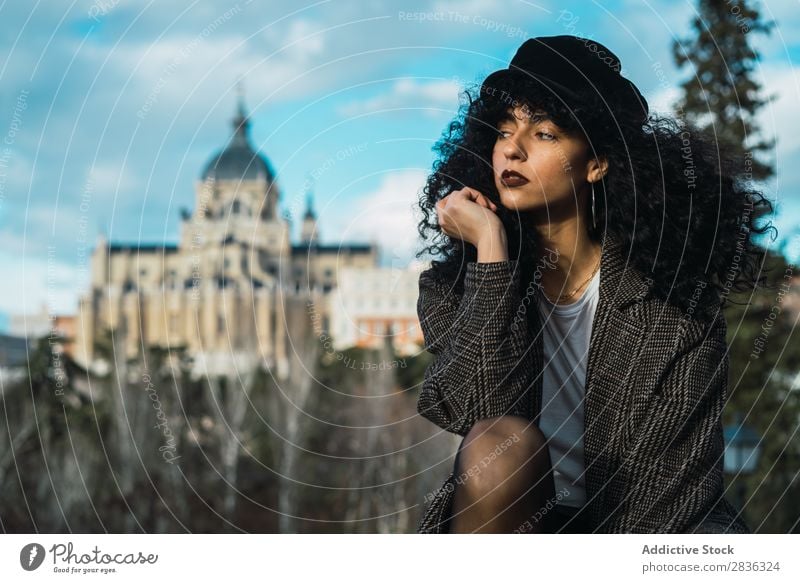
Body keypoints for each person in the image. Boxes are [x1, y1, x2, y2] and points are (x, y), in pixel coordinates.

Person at [414, 35, 771, 533]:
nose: (511, 149)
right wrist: (491, 248)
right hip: (509, 529)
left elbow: (664, 504)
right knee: (500, 447)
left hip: (645, 530)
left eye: (544, 133)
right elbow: (481, 413)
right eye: (503, 130)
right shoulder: (455, 287)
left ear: (596, 163)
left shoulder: (673, 306)